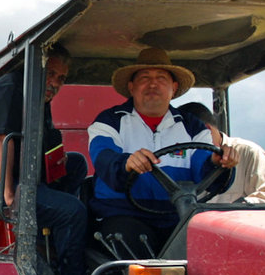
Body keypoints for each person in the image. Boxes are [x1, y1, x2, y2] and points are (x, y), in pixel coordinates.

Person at [0, 43, 88, 275]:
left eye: (61, 78)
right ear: (36, 68)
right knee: (74, 212)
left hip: (23, 177)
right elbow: (0, 141)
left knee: (78, 164)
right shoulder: (7, 88)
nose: (55, 83)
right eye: (50, 74)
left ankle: (50, 241)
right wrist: (8, 193)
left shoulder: (38, 96)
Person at [87, 47, 238, 257]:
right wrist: (126, 163)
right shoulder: (109, 121)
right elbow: (104, 158)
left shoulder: (193, 127)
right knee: (131, 246)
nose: (153, 84)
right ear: (131, 87)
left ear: (173, 88)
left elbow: (205, 170)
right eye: (144, 78)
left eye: (161, 78)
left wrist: (218, 162)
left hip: (177, 215)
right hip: (122, 214)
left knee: (214, 249)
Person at [177, 102, 265, 205]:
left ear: (206, 131)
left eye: (186, 139)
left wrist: (237, 209)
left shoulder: (248, 153)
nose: (183, 144)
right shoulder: (177, 160)